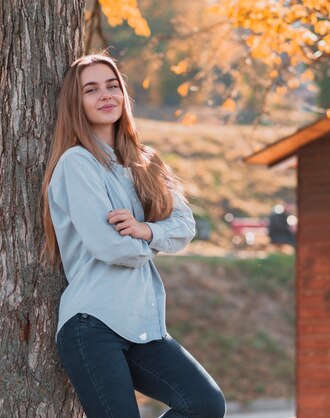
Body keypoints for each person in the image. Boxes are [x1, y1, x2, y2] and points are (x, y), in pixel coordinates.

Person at [41, 53, 226, 418]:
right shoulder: (77, 163)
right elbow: (109, 246)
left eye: (112, 86)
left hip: (144, 324)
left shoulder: (146, 161)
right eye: (91, 90)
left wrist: (145, 230)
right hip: (91, 324)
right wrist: (155, 242)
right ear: (75, 103)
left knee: (205, 403)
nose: (105, 95)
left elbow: (184, 226)